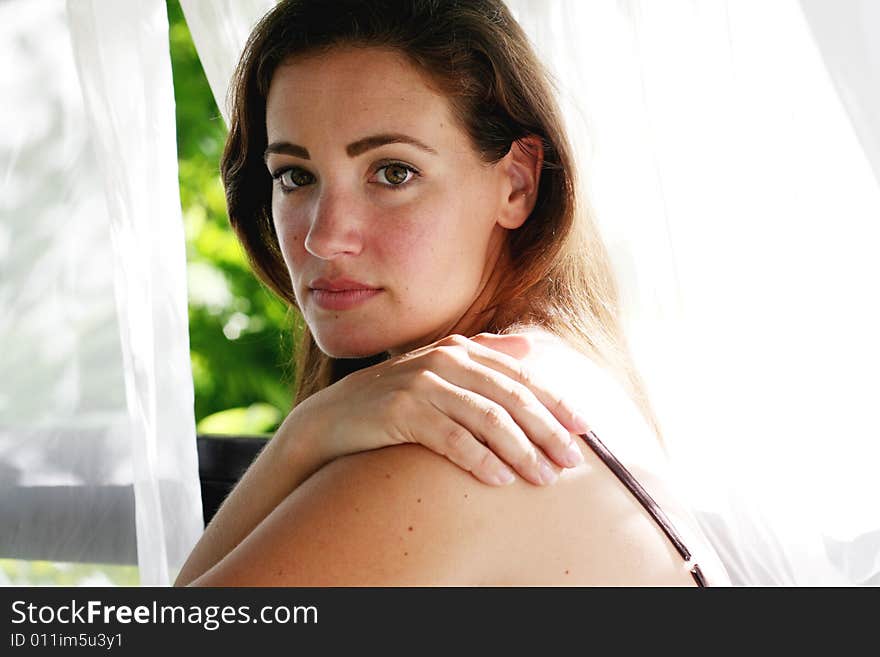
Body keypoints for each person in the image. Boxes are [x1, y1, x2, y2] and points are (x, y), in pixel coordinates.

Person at [175, 0, 730, 586]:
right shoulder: (550, 378)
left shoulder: (472, 441)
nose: (324, 235)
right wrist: (306, 433)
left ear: (516, 183)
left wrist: (301, 439)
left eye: (393, 172)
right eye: (295, 175)